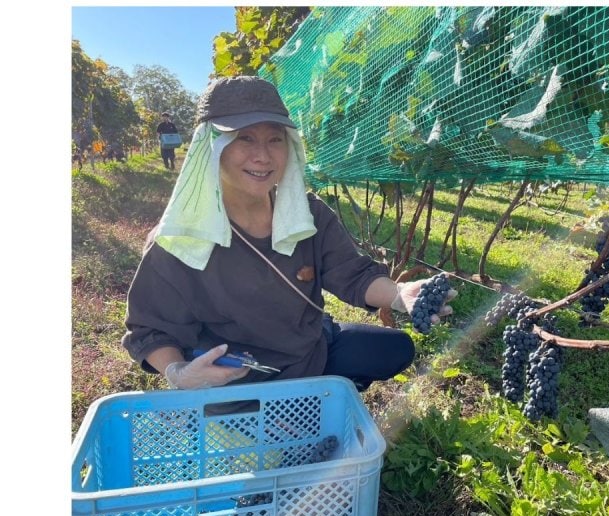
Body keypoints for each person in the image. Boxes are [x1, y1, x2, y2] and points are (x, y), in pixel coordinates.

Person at [122, 75, 456, 393]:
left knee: (394, 349)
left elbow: (352, 274)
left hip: (308, 353)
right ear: (213, 146)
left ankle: (318, 389)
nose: (263, 156)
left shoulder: (307, 215)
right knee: (249, 425)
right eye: (245, 138)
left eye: (274, 139)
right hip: (235, 374)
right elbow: (152, 328)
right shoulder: (179, 238)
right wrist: (179, 373)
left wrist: (399, 294)